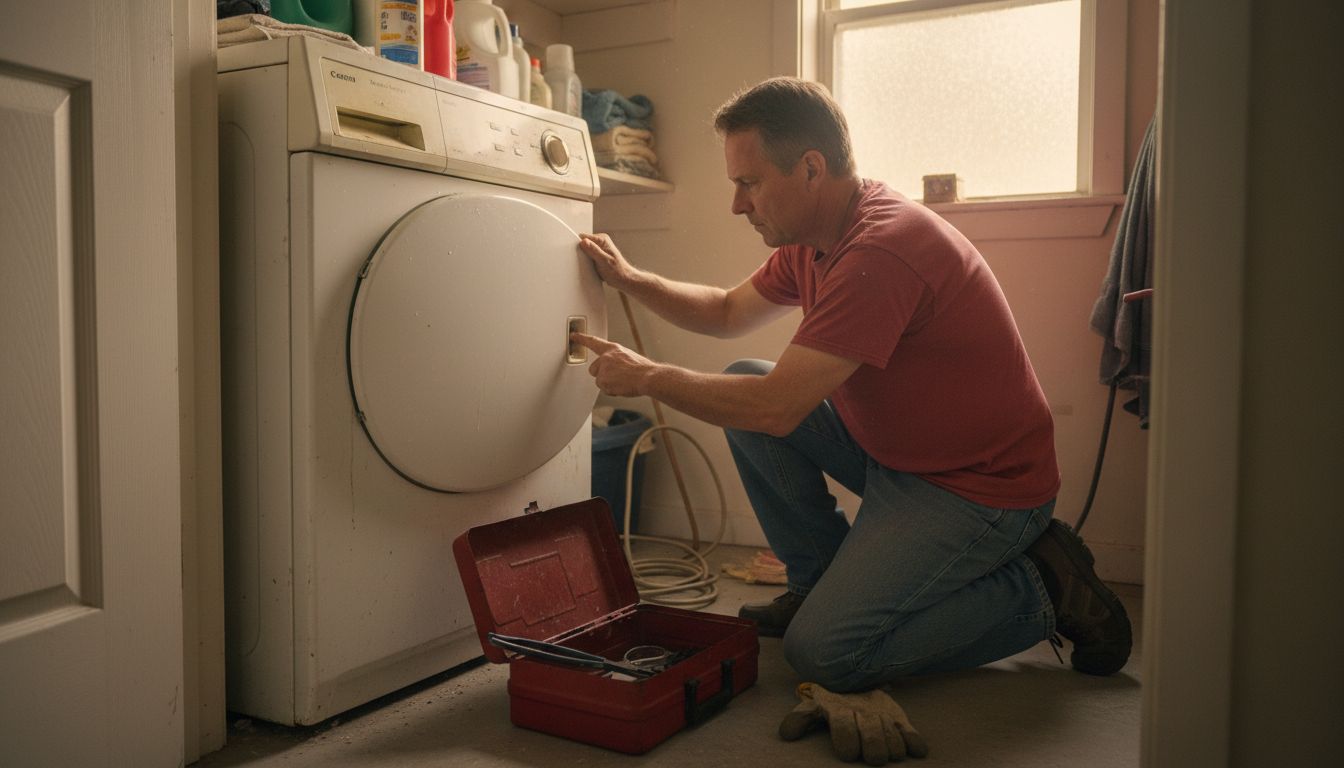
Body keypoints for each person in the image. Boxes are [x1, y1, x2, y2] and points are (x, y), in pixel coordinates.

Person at [569, 78, 1132, 697]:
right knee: (742, 383)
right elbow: (728, 313)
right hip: (902, 458)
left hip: (978, 488)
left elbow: (780, 409)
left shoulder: (879, 252)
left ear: (812, 168)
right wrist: (627, 278)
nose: (737, 204)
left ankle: (1047, 587)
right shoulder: (817, 237)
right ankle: (816, 583)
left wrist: (646, 375)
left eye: (748, 183)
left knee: (828, 653)